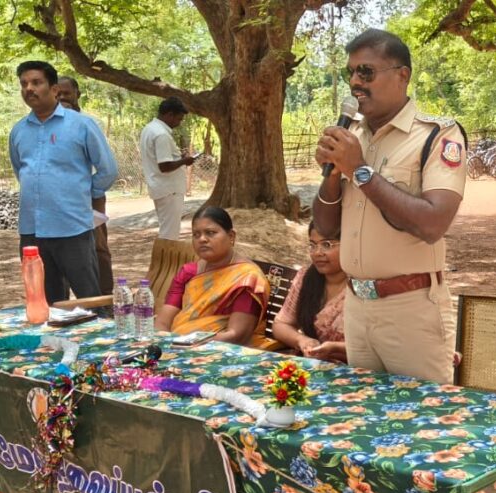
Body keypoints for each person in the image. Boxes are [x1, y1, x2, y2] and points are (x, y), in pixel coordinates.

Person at [310, 28, 477, 493]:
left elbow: (431, 221)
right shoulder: (354, 138)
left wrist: (361, 171)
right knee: (373, 440)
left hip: (411, 306)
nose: (357, 83)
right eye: (351, 72)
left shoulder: (437, 137)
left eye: (368, 72)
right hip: (360, 306)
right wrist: (335, 172)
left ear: (402, 76)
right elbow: (324, 227)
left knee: (432, 445)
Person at [9, 60, 117, 304]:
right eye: (24, 84)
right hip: (32, 232)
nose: (29, 89)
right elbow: (21, 172)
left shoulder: (81, 125)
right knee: (45, 302)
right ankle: (54, 343)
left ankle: (95, 341)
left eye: (36, 82)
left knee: (89, 299)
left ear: (54, 89)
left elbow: (108, 169)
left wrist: (82, 193)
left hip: (72, 228)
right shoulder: (18, 131)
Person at [154, 207, 270, 348]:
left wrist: (188, 343)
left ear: (231, 236)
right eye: (196, 234)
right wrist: (165, 347)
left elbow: (236, 335)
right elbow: (162, 322)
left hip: (220, 352)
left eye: (211, 233)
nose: (202, 239)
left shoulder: (247, 279)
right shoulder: (188, 272)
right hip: (177, 346)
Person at [56, 75, 114, 295]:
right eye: (58, 94)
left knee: (98, 247)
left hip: (89, 196)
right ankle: (66, 305)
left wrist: (89, 190)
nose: (62, 97)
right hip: (59, 200)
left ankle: (104, 301)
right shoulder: (45, 125)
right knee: (61, 249)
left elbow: (107, 168)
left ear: (77, 95)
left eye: (67, 93)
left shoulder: (86, 124)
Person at [272, 223, 348, 362]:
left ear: (350, 245)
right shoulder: (306, 277)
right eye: (312, 245)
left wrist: (336, 348)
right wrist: (302, 340)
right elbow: (280, 325)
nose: (317, 252)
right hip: (309, 363)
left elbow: (377, 347)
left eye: (327, 245)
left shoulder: (365, 285)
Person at [140, 97, 196, 240]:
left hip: (161, 187)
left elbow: (162, 159)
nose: (179, 123)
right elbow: (164, 166)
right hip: (169, 189)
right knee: (169, 234)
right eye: (179, 119)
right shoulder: (161, 134)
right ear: (169, 114)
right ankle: (165, 261)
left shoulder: (150, 129)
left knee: (167, 229)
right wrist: (185, 161)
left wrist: (178, 157)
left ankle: (164, 260)